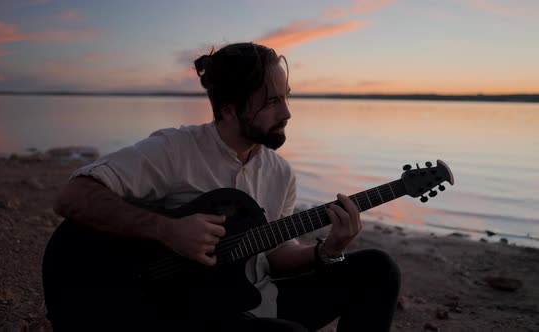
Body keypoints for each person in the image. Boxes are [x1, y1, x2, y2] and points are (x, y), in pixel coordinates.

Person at [43, 42, 400, 331]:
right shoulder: (173, 149)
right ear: (229, 109)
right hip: (170, 308)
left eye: (286, 97)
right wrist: (167, 230)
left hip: (252, 299)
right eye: (272, 101)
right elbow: (73, 196)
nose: (287, 113)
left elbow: (272, 257)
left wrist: (327, 250)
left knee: (378, 268)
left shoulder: (280, 173)